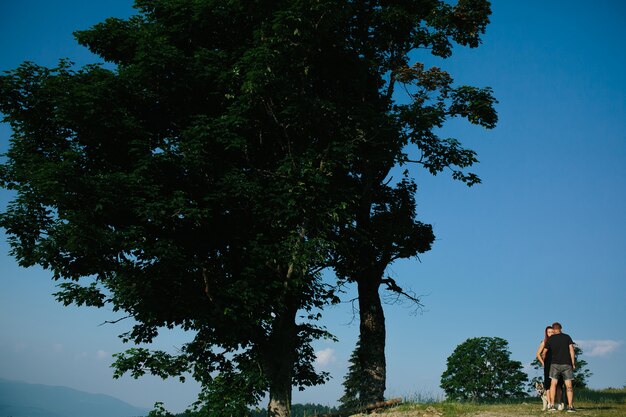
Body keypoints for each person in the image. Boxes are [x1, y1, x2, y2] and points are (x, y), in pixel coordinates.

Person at [543, 322, 576, 413]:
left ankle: (552, 405)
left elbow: (544, 352)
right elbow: (571, 350)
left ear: (553, 329)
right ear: (561, 328)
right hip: (567, 364)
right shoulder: (567, 337)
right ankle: (570, 406)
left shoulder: (550, 339)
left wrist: (545, 361)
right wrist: (573, 363)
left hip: (554, 365)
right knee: (569, 385)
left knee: (553, 384)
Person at [536, 326, 564, 410]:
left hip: (559, 365)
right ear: (546, 333)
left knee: (559, 385)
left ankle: (558, 403)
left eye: (552, 332)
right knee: (548, 386)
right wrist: (543, 363)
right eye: (549, 332)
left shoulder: (559, 342)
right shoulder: (544, 342)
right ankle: (549, 404)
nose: (551, 333)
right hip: (548, 366)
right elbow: (538, 354)